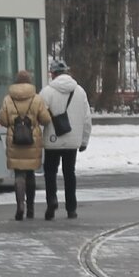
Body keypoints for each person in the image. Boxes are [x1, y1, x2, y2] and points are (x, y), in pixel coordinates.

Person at [39, 59, 93, 219]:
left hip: (52, 139)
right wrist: (84, 141)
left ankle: (52, 201)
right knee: (70, 173)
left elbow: (40, 117)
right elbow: (87, 119)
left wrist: (39, 139)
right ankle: (71, 208)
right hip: (72, 141)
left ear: (53, 74)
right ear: (67, 73)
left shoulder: (46, 92)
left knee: (50, 172)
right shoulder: (80, 91)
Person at [0, 68, 52, 221]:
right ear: (29, 82)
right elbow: (46, 119)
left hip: (14, 141)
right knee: (30, 175)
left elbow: (2, 120)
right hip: (32, 142)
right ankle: (31, 209)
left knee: (19, 174)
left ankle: (19, 204)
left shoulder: (8, 99)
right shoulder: (37, 99)